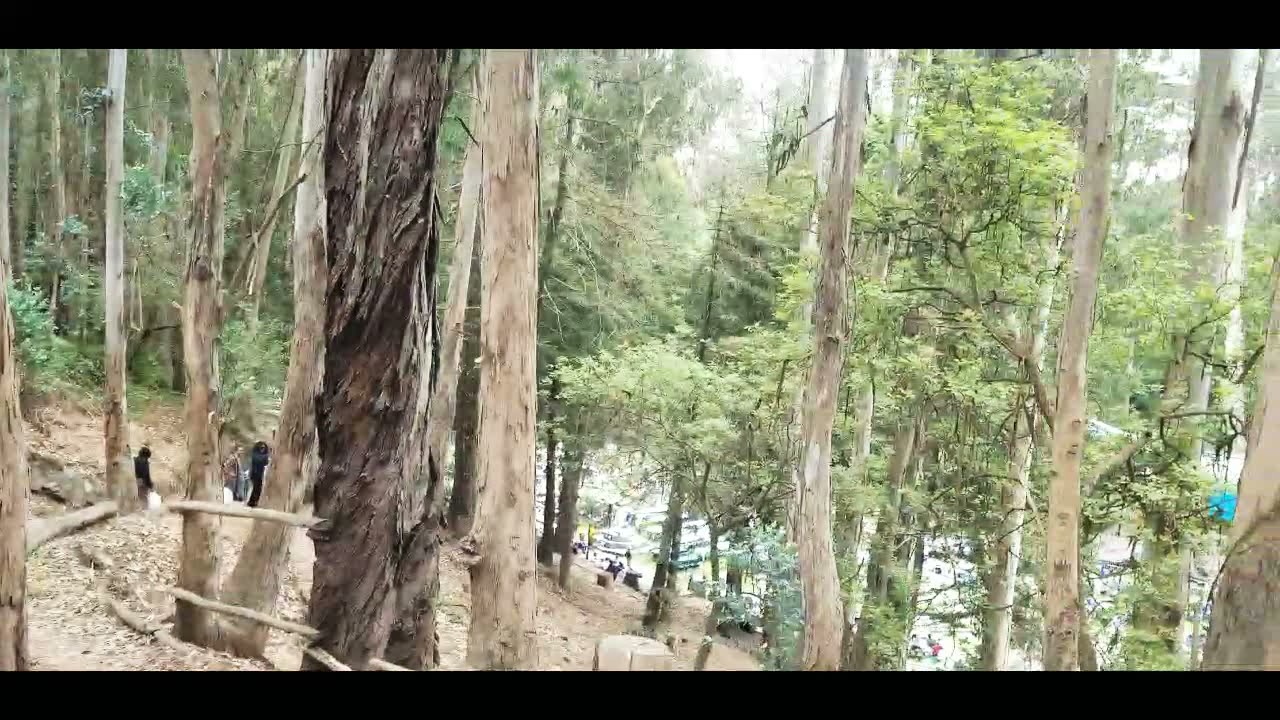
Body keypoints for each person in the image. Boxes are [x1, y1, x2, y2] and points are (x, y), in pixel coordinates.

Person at [248, 441, 270, 508]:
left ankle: (254, 502)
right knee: (256, 488)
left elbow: (265, 462)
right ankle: (252, 502)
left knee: (258, 489)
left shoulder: (263, 455)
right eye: (261, 448)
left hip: (260, 475)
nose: (262, 449)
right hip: (255, 474)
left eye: (263, 448)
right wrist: (267, 457)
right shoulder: (255, 454)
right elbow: (259, 459)